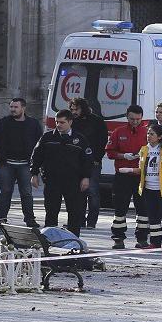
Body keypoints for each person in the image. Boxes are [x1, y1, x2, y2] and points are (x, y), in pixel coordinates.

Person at [30, 109, 93, 237]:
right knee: (51, 212)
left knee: (74, 212)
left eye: (62, 122)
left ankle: (73, 241)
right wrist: (34, 174)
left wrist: (86, 177)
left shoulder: (79, 139)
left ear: (70, 122)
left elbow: (87, 160)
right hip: (52, 180)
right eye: (57, 122)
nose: (58, 125)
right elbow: (36, 156)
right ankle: (49, 239)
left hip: (73, 181)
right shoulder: (48, 137)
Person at [0, 97, 42, 227]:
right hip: (6, 164)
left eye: (16, 107)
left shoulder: (33, 124)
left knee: (26, 193)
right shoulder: (3, 123)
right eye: (11, 107)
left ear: (23, 108)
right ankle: (1, 218)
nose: (13, 109)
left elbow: (40, 144)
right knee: (5, 192)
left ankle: (30, 219)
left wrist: (37, 165)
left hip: (25, 164)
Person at [106, 104, 149, 249]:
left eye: (138, 119)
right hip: (122, 175)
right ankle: (118, 238)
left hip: (141, 176)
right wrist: (123, 155)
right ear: (127, 117)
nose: (135, 121)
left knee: (143, 209)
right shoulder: (118, 132)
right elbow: (110, 152)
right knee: (120, 209)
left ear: (142, 117)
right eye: (132, 119)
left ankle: (142, 238)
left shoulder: (147, 133)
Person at [69, 97, 108, 229]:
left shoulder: (96, 121)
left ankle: (91, 221)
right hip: (75, 162)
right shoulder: (72, 121)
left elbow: (102, 141)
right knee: (77, 192)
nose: (74, 112)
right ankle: (78, 220)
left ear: (83, 108)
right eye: (72, 109)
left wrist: (97, 158)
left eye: (76, 109)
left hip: (93, 161)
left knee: (92, 192)